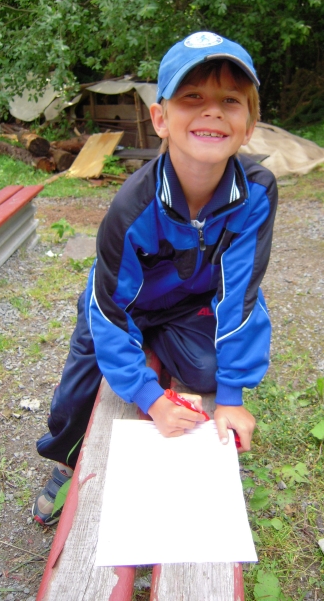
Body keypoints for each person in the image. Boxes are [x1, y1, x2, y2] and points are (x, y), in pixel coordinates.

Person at [32, 31, 278, 526]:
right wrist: (150, 399)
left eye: (230, 101)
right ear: (161, 119)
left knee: (208, 373)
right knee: (79, 393)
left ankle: (157, 343)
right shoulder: (132, 206)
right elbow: (109, 309)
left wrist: (232, 396)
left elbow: (242, 293)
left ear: (250, 125)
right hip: (121, 306)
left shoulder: (257, 191)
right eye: (193, 98)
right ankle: (64, 462)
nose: (212, 112)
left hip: (186, 304)